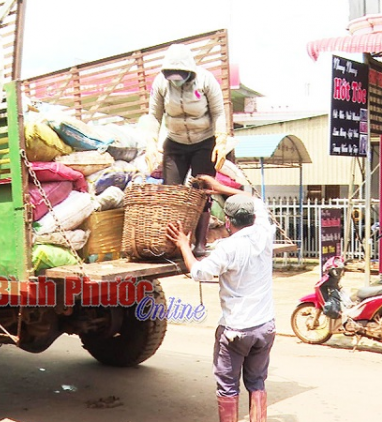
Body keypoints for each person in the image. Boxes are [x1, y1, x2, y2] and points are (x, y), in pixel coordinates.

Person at [166, 175, 275, 422]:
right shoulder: (265, 232)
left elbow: (198, 272)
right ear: (252, 217)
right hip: (265, 327)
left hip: (237, 330)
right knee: (257, 381)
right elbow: (256, 200)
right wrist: (222, 188)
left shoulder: (228, 248)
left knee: (228, 385)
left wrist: (184, 243)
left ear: (227, 221)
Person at [148, 43, 229, 256]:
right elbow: (154, 115)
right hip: (175, 142)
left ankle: (199, 243)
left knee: (201, 192)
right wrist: (151, 144)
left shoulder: (206, 80)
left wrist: (220, 140)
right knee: (172, 194)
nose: (176, 78)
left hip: (204, 142)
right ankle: (172, 246)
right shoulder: (161, 84)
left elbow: (219, 113)